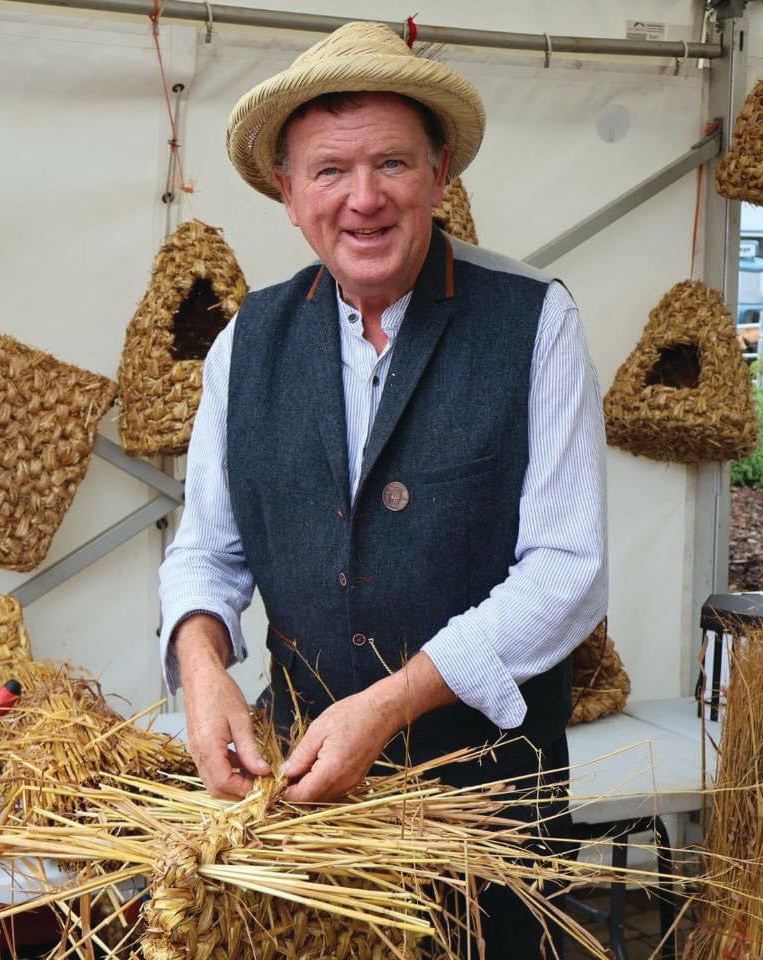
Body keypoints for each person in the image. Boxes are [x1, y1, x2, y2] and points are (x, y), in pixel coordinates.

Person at [157, 21, 607, 956]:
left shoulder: (533, 321)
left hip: (485, 824)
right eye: (329, 171)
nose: (363, 199)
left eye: (392, 164)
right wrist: (201, 670)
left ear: (441, 177)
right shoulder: (249, 342)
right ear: (287, 193)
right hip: (306, 824)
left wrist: (397, 701)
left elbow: (568, 570)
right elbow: (206, 546)